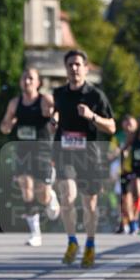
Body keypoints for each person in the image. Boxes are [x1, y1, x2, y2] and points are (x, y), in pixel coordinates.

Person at [52, 50, 116, 268]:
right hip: (64, 152)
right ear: (66, 68)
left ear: (86, 68)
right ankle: (72, 241)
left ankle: (90, 243)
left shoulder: (96, 96)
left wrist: (92, 116)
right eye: (70, 64)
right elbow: (59, 113)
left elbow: (112, 126)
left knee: (89, 204)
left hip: (88, 156)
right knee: (67, 197)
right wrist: (55, 118)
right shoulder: (58, 93)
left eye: (78, 64)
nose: (74, 68)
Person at [0, 67, 59, 247]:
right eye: (24, 78)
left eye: (31, 79)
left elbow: (58, 114)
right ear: (20, 81)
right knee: (26, 188)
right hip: (22, 152)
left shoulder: (45, 100)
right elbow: (4, 127)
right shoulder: (15, 103)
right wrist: (9, 124)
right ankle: (35, 233)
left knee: (42, 194)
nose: (27, 82)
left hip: (42, 151)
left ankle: (51, 198)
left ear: (38, 82)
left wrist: (54, 118)